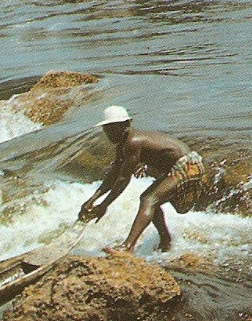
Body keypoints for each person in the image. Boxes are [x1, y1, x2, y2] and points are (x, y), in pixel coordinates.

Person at [78, 106, 206, 253]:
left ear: (125, 126)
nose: (108, 133)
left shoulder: (133, 142)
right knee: (151, 201)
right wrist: (92, 200)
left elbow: (123, 180)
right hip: (175, 168)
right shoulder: (123, 145)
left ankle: (127, 247)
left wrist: (104, 205)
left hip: (188, 165)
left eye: (112, 128)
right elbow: (113, 175)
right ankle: (166, 241)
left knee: (148, 200)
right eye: (106, 129)